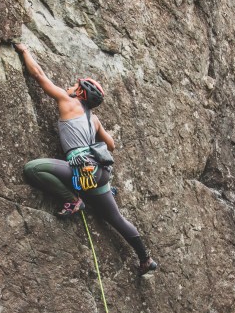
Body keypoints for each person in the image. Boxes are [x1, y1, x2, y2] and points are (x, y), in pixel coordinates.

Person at [16, 43, 158, 276]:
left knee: (33, 168)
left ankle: (72, 200)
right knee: (115, 218)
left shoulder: (68, 102)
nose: (69, 87)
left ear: (81, 93)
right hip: (100, 173)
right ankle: (145, 259)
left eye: (74, 86)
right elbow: (110, 144)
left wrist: (24, 51)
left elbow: (39, 76)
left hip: (83, 170)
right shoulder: (95, 120)